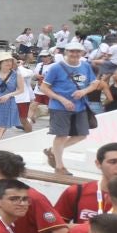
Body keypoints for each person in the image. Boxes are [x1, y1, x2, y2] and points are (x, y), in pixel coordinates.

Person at [41, 43, 99, 176]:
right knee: (61, 135)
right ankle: (59, 166)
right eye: (72, 51)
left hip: (80, 105)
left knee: (82, 134)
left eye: (78, 51)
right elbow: (44, 87)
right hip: (59, 107)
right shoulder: (56, 68)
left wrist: (84, 91)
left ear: (82, 53)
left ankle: (52, 150)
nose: (75, 54)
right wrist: (62, 99)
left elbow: (94, 83)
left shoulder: (85, 66)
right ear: (66, 52)